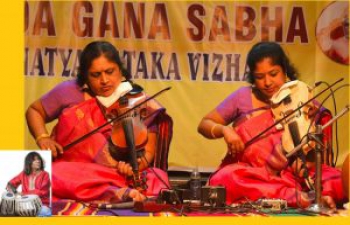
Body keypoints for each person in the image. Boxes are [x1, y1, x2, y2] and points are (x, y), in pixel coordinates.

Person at [198, 42, 344, 209]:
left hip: (296, 174)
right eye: (260, 77)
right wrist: (225, 130)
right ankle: (305, 198)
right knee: (225, 179)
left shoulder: (300, 96)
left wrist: (314, 119)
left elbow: (314, 152)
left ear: (284, 70)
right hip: (257, 175)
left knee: (340, 178)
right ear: (253, 77)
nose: (267, 82)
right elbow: (204, 124)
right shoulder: (243, 97)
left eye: (273, 74)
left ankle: (306, 196)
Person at [25, 41, 170, 205]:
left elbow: (148, 152)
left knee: (158, 177)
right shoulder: (69, 91)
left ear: (120, 69)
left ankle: (113, 190)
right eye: (95, 75)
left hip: (119, 173)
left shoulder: (136, 100)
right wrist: (42, 137)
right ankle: (111, 192)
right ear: (85, 76)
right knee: (51, 174)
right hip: (77, 171)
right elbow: (34, 111)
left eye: (110, 72)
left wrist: (133, 167)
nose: (104, 80)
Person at [7, 151, 51, 216]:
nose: (38, 161)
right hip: (25, 205)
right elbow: (10, 184)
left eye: (38, 159)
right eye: (34, 160)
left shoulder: (45, 174)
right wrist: (14, 192)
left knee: (44, 212)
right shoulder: (23, 174)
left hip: (42, 205)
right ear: (29, 162)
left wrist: (23, 194)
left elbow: (41, 192)